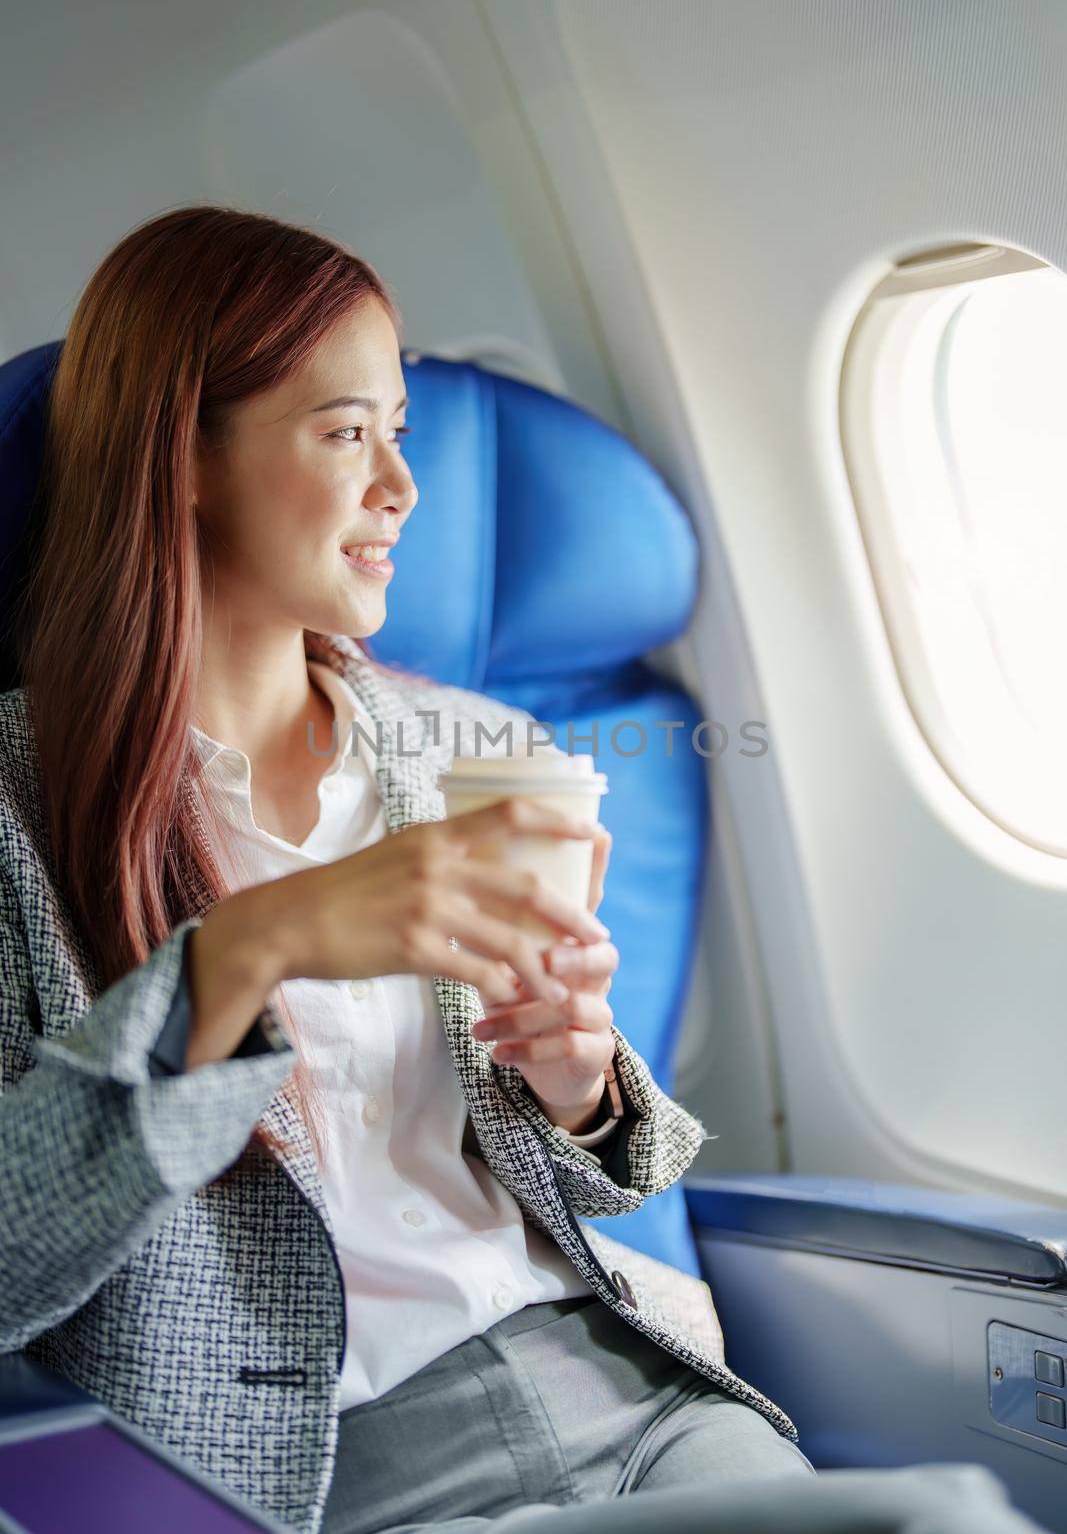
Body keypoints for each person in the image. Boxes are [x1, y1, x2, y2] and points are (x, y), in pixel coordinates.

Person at [0, 206, 1043, 1534]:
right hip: (323, 1469)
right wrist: (247, 950)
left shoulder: (475, 748)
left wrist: (582, 1078)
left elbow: (607, 1175)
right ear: (183, 457)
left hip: (630, 1395)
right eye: (344, 434)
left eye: (401, 433)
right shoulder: (17, 815)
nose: (401, 489)